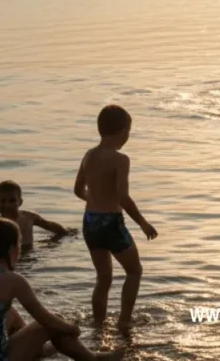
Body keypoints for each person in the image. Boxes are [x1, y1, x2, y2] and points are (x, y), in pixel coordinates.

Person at [0, 217, 122, 361]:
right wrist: (72, 329)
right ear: (12, 248)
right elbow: (46, 319)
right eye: (19, 244)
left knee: (10, 312)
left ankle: (37, 351)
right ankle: (91, 359)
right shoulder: (12, 279)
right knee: (55, 322)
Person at [73, 104, 158, 332]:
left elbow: (78, 189)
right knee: (134, 271)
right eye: (128, 132)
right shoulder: (121, 159)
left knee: (103, 277)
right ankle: (124, 321)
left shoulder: (88, 155)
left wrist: (95, 199)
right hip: (111, 222)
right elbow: (123, 197)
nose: (128, 137)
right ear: (121, 131)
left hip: (90, 221)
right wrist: (143, 223)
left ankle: (99, 325)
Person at [0, 180, 73, 249]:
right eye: (2, 201)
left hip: (30, 253)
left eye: (12, 201)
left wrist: (66, 232)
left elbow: (49, 225)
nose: (8, 205)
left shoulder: (29, 217)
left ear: (20, 202)